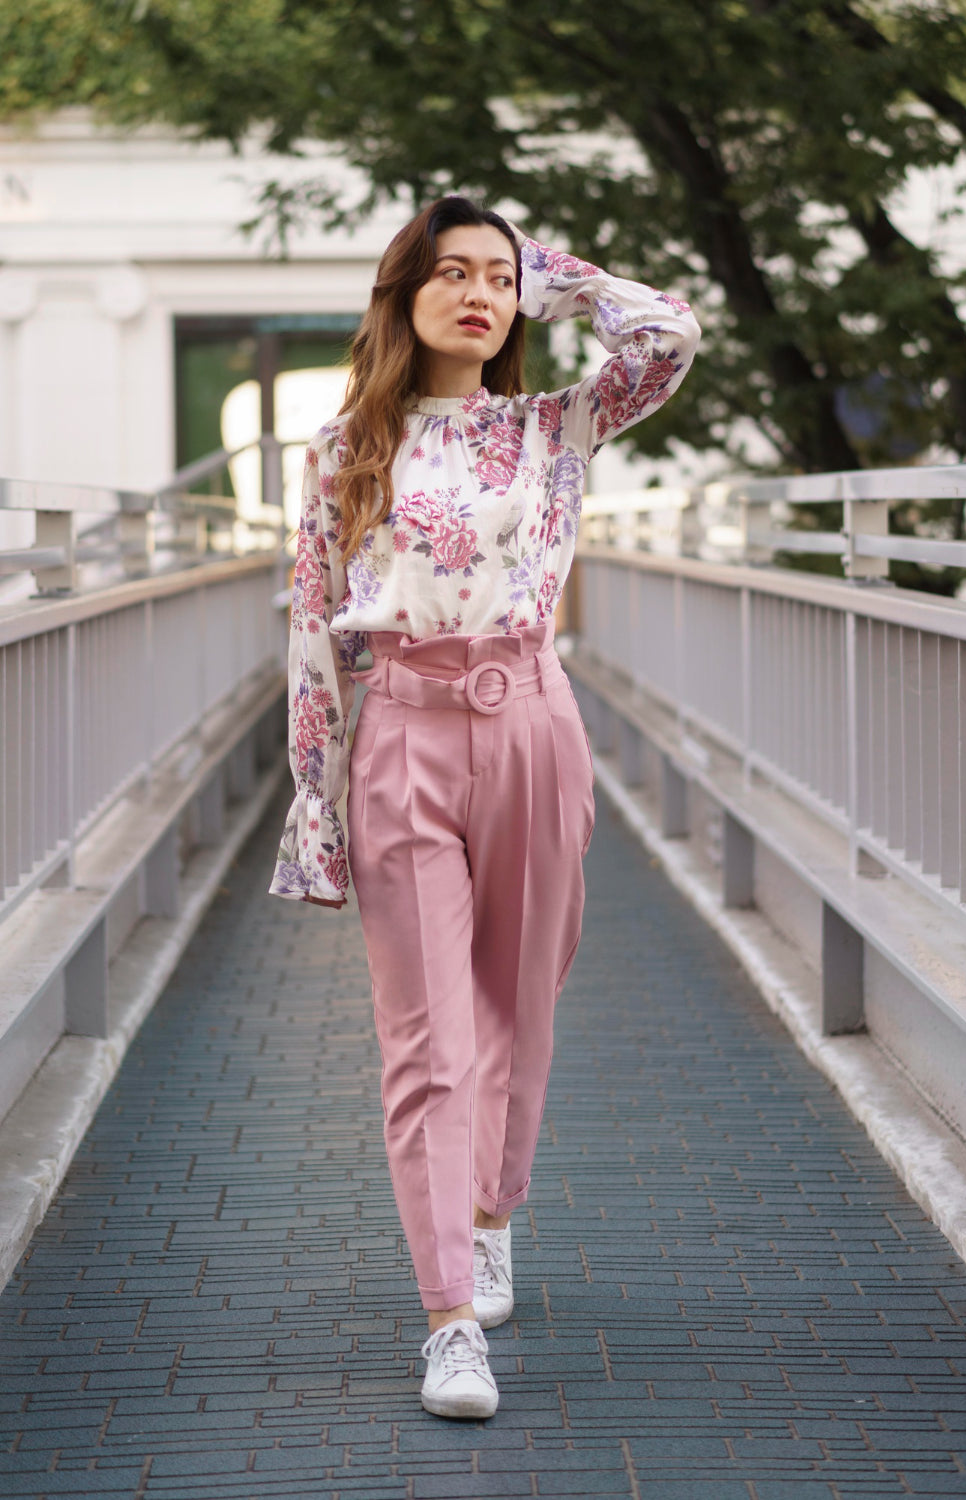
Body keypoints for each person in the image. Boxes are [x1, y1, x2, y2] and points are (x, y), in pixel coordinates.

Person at [270, 195, 700, 1419]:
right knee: (427, 1039)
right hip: (400, 730)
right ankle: (449, 1319)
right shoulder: (345, 446)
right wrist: (318, 798)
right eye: (449, 272)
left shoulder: (559, 424)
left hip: (532, 730)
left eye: (495, 280)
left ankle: (495, 1209)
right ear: (401, 294)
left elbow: (667, 337)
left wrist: (553, 272)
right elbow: (312, 628)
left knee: (523, 1003)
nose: (476, 293)